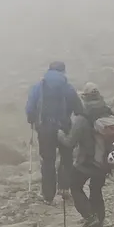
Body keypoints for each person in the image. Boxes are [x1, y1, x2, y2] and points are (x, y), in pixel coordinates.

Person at [57, 83, 114, 227]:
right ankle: (98, 221)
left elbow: (70, 142)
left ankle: (90, 217)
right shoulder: (108, 112)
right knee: (96, 189)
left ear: (85, 99)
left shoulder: (83, 118)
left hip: (86, 161)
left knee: (75, 186)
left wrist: (59, 135)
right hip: (104, 161)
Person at [23, 61, 83, 203]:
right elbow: (79, 109)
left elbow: (30, 108)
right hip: (64, 127)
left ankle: (48, 196)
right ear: (63, 72)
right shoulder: (67, 87)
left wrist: (32, 121)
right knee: (66, 157)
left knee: (48, 160)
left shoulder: (39, 87)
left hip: (45, 128)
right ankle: (65, 188)